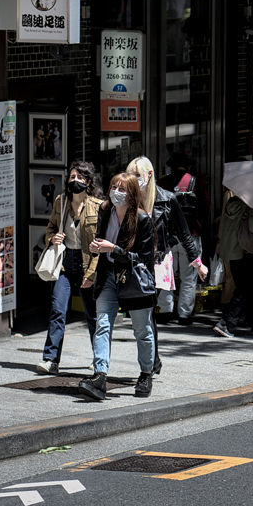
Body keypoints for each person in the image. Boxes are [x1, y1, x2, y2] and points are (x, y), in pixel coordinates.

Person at [77, 173, 157, 401]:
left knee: (142, 330)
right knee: (102, 324)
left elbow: (144, 259)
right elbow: (101, 243)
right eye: (114, 187)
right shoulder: (105, 211)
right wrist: (96, 248)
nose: (117, 192)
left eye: (122, 188)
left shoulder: (142, 220)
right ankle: (100, 375)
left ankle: (146, 373)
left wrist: (112, 249)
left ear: (132, 194)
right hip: (108, 275)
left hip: (133, 280)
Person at [126, 156, 206, 374]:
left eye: (136, 175)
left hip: (158, 260)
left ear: (148, 175)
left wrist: (197, 262)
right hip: (134, 261)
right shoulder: (127, 199)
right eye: (129, 175)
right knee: (147, 312)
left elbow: (183, 232)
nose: (132, 180)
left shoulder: (167, 198)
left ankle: (152, 360)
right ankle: (155, 358)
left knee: (149, 310)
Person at [36, 161, 103, 376]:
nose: (75, 181)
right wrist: (52, 238)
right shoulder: (60, 202)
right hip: (65, 262)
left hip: (87, 262)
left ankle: (98, 359)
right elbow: (50, 229)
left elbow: (101, 242)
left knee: (92, 314)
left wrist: (92, 273)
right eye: (72, 177)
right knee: (57, 310)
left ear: (88, 182)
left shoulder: (97, 206)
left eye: (80, 178)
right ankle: (51, 359)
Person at [157, 152, 211, 324]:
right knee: (189, 277)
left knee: (167, 274)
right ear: (188, 167)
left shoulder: (163, 183)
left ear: (171, 167)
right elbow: (206, 210)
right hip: (192, 235)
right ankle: (184, 315)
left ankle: (165, 311)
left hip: (168, 237)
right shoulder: (198, 183)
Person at [214, 193, 253, 338]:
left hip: (231, 251)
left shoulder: (231, 202)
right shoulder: (251, 205)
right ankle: (225, 322)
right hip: (246, 251)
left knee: (246, 287)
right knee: (244, 288)